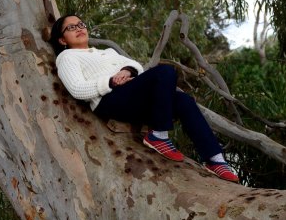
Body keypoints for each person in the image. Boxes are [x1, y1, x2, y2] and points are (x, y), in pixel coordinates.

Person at [49, 14, 239, 182]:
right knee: (164, 71)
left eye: (81, 24)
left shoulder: (106, 52)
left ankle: (215, 160)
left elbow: (134, 65)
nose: (79, 29)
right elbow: (76, 89)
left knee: (184, 101)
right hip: (109, 100)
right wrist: (111, 82)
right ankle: (159, 135)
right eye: (71, 27)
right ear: (62, 40)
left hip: (131, 96)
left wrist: (125, 70)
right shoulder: (67, 57)